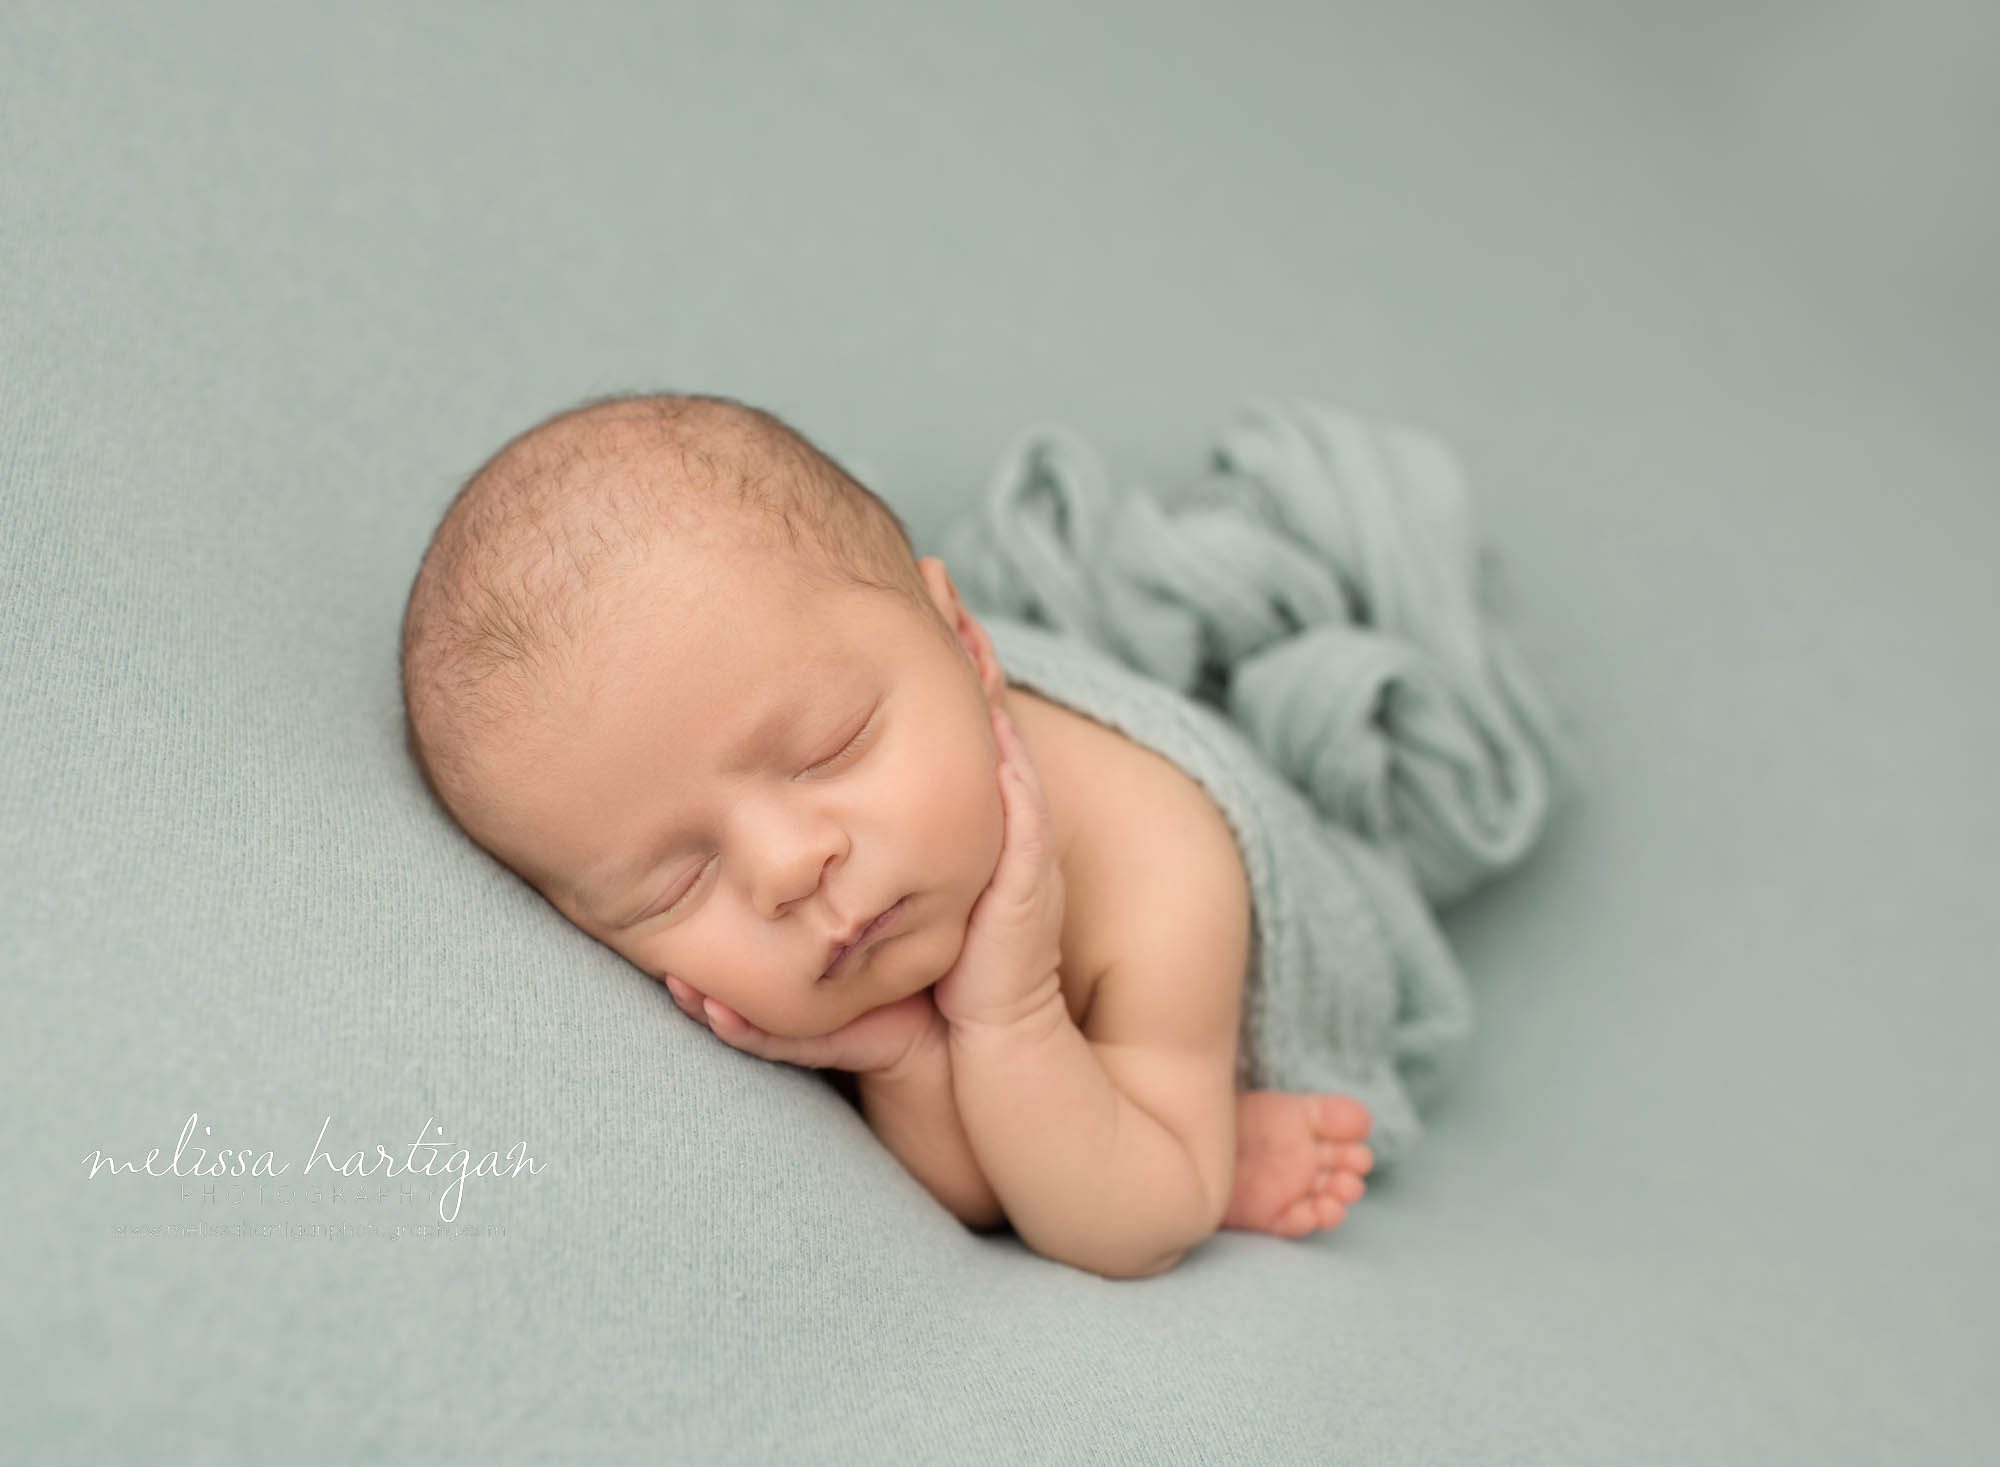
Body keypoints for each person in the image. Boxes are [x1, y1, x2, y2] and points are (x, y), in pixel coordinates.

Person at [399, 391, 1372, 1279]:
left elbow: (1130, 1235)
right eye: (674, 885)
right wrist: (909, 1060)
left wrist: (1015, 1015)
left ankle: (1189, 1124)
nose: (787, 868)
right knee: (1029, 1138)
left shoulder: (1161, 865)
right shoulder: (875, 861)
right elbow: (976, 1197)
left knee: (1136, 1168)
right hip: (1038, 1091)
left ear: (963, 640)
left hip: (1181, 1019)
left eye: (829, 748)